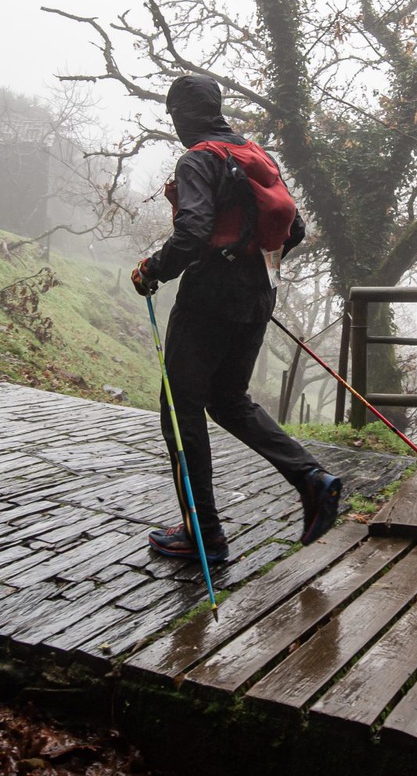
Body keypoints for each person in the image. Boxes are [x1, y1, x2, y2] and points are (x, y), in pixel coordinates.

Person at [132, 75, 341, 563]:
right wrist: (250, 264)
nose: (175, 125)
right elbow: (296, 229)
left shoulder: (198, 158)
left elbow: (193, 233)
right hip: (257, 294)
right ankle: (311, 478)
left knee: (181, 410)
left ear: (184, 114)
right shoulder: (256, 154)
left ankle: (202, 533)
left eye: (173, 115)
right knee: (227, 399)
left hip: (209, 295)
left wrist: (153, 270)